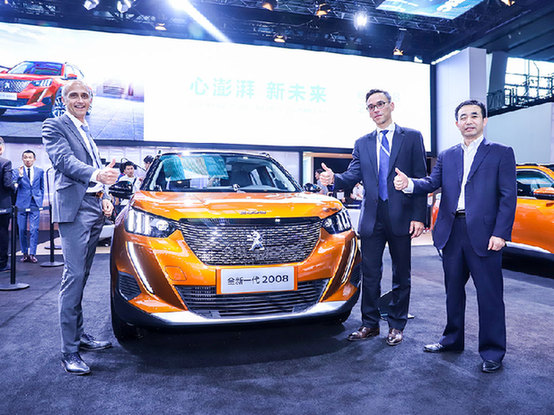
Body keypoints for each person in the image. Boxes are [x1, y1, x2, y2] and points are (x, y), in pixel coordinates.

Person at [394, 99, 517, 373]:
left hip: (485, 235)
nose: (469, 121)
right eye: (463, 117)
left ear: (484, 121)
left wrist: (500, 233)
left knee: (489, 295)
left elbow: (508, 197)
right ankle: (452, 340)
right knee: (453, 292)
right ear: (457, 123)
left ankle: (492, 352)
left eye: (474, 116)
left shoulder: (501, 152)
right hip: (451, 232)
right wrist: (409, 184)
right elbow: (431, 183)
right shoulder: (448, 155)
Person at [319, 89, 427, 346]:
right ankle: (370, 324)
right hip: (371, 217)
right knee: (369, 274)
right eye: (371, 106)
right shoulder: (362, 142)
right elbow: (352, 175)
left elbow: (421, 178)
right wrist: (334, 179)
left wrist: (419, 216)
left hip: (402, 216)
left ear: (391, 105)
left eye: (380, 104)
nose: (376, 109)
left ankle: (397, 325)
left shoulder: (412, 137)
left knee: (402, 274)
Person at [42, 79, 119, 375]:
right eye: (73, 95)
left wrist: (105, 196)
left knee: (82, 276)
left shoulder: (86, 130)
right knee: (73, 277)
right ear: (63, 100)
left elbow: (98, 172)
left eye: (84, 95)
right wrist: (98, 174)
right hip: (74, 210)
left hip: (93, 207)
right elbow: (64, 161)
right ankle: (69, 351)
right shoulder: (54, 125)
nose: (79, 100)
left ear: (90, 100)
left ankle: (79, 336)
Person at [13, 150, 44, 263]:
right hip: (21, 203)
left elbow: (42, 187)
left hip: (35, 202)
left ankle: (32, 254)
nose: (28, 159)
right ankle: (24, 253)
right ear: (22, 159)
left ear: (34, 159)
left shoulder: (40, 171)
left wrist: (40, 201)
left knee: (34, 229)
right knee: (21, 230)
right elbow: (14, 186)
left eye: (30, 157)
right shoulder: (17, 171)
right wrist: (20, 176)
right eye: (25, 157)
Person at [0, 137, 15, 272]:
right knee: (2, 232)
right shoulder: (5, 163)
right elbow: (7, 183)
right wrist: (15, 186)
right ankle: (2, 263)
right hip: (2, 205)